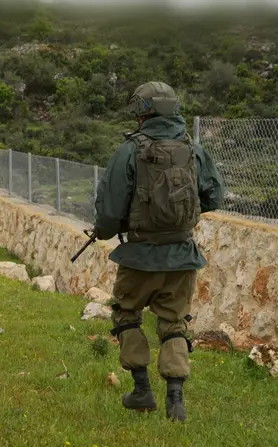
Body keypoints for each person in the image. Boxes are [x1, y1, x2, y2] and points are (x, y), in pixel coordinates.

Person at [93, 81, 224, 422]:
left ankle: (141, 391)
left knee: (126, 314)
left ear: (140, 111)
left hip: (140, 256)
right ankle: (175, 400)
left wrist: (109, 230)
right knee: (174, 322)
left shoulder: (129, 151)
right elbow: (214, 197)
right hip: (182, 256)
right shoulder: (193, 149)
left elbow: (108, 212)